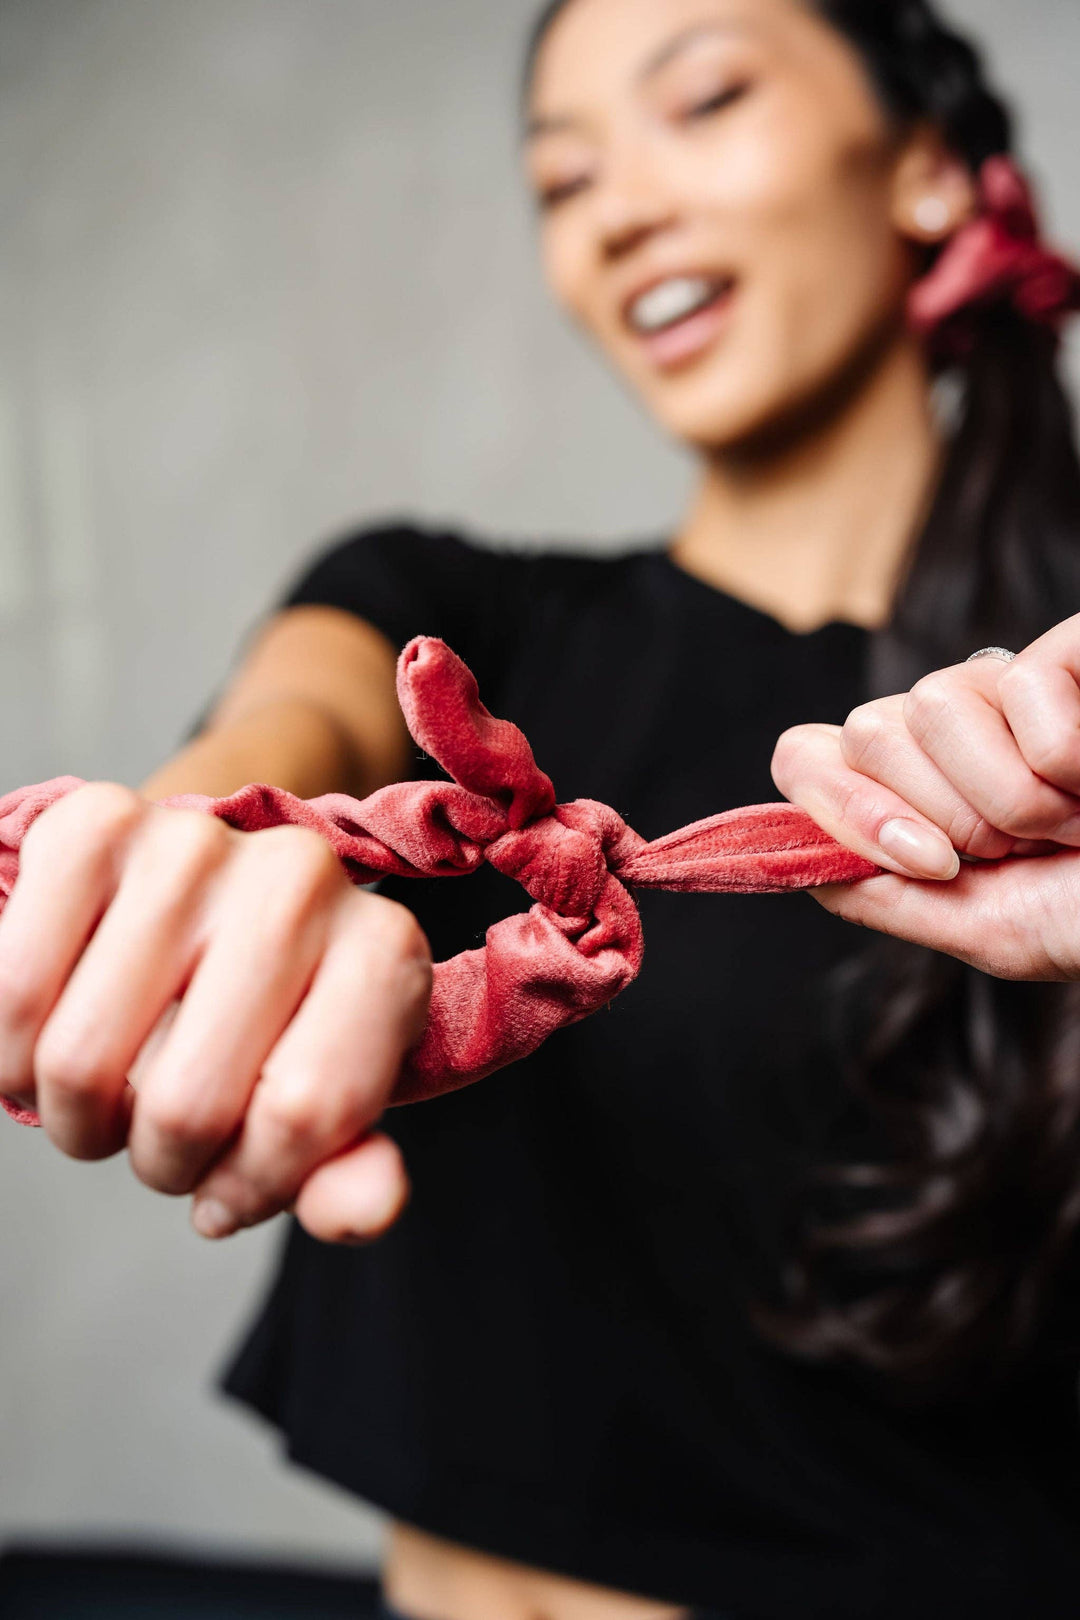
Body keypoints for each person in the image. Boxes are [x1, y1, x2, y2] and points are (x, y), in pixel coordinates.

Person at [5, 1, 1080, 1616]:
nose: (618, 209)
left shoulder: (1057, 737)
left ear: (927, 173)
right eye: (563, 180)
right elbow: (286, 727)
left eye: (702, 101)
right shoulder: (448, 612)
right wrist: (197, 849)